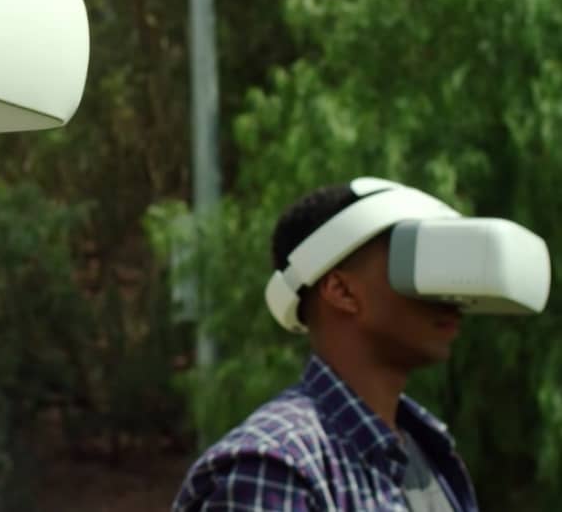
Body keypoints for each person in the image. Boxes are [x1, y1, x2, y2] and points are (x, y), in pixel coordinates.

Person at [173, 180, 478, 511]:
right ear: (341, 291)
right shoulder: (276, 466)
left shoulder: (428, 451)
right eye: (418, 267)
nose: (452, 299)